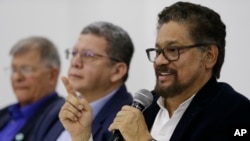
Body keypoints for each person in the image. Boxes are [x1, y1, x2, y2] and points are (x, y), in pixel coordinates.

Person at [108, 1, 250, 141]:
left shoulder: (237, 114)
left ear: (209, 56)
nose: (159, 61)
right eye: (158, 51)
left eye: (173, 50)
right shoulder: (144, 109)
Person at [58, 21, 134, 141]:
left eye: (88, 55)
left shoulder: (127, 123)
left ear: (117, 71)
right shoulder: (57, 111)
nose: (75, 62)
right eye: (74, 53)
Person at [0, 36, 64, 141]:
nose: (17, 77)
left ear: (52, 75)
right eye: (14, 70)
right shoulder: (4, 114)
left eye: (26, 69)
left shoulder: (62, 117)